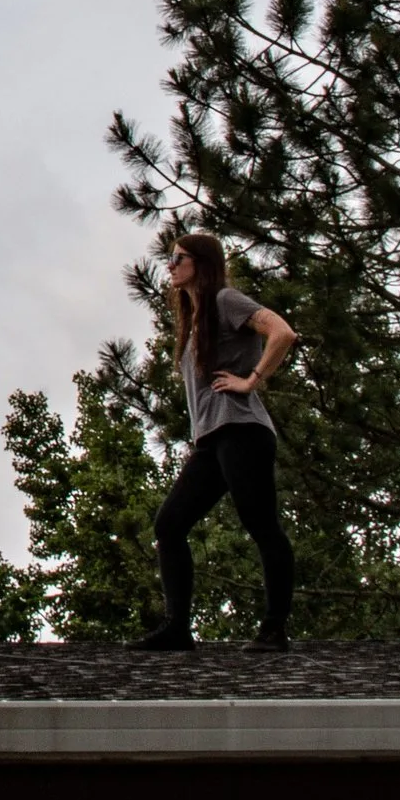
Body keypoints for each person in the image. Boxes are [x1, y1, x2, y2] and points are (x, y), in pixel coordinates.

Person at [132, 230, 298, 653]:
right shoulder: (196, 318)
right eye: (170, 258)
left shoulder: (225, 300)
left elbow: (282, 332)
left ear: (201, 264)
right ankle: (177, 629)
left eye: (179, 258)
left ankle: (274, 629)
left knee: (261, 524)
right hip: (212, 440)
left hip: (242, 430)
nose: (170, 265)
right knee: (170, 524)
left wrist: (251, 380)